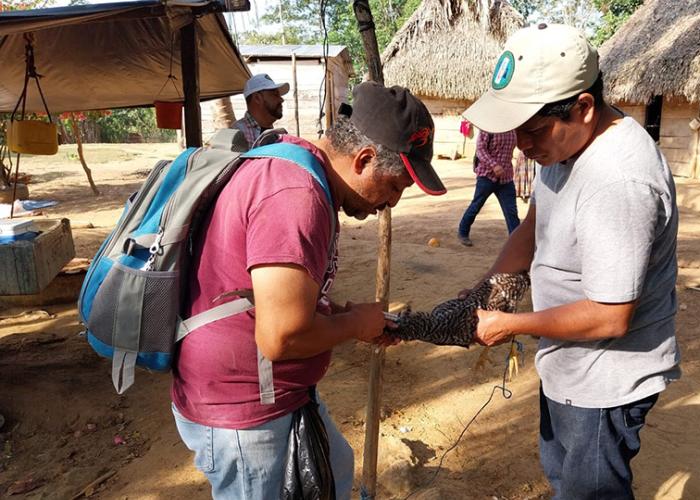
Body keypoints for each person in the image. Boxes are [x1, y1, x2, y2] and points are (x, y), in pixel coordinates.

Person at [172, 81, 447, 499]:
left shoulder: (299, 168)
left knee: (336, 468)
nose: (391, 203)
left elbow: (274, 294)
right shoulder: (296, 196)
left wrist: (340, 314)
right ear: (364, 159)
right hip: (245, 410)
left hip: (278, 394)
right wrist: (355, 325)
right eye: (395, 186)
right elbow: (282, 337)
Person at [462, 23, 681, 499]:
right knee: (564, 479)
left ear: (582, 107)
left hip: (605, 381)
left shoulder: (619, 180)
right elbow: (530, 229)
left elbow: (610, 316)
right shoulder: (561, 148)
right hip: (568, 363)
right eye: (515, 131)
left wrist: (511, 324)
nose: (522, 145)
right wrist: (487, 291)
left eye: (533, 131)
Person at [457, 129, 520, 246]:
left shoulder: (513, 129)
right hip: (487, 176)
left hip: (506, 178)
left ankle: (516, 240)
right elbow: (480, 150)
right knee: (476, 205)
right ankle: (463, 232)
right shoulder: (487, 128)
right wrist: (494, 165)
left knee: (511, 211)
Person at [232, 73, 290, 147]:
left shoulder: (275, 135)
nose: (281, 99)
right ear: (257, 98)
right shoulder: (237, 134)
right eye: (275, 94)